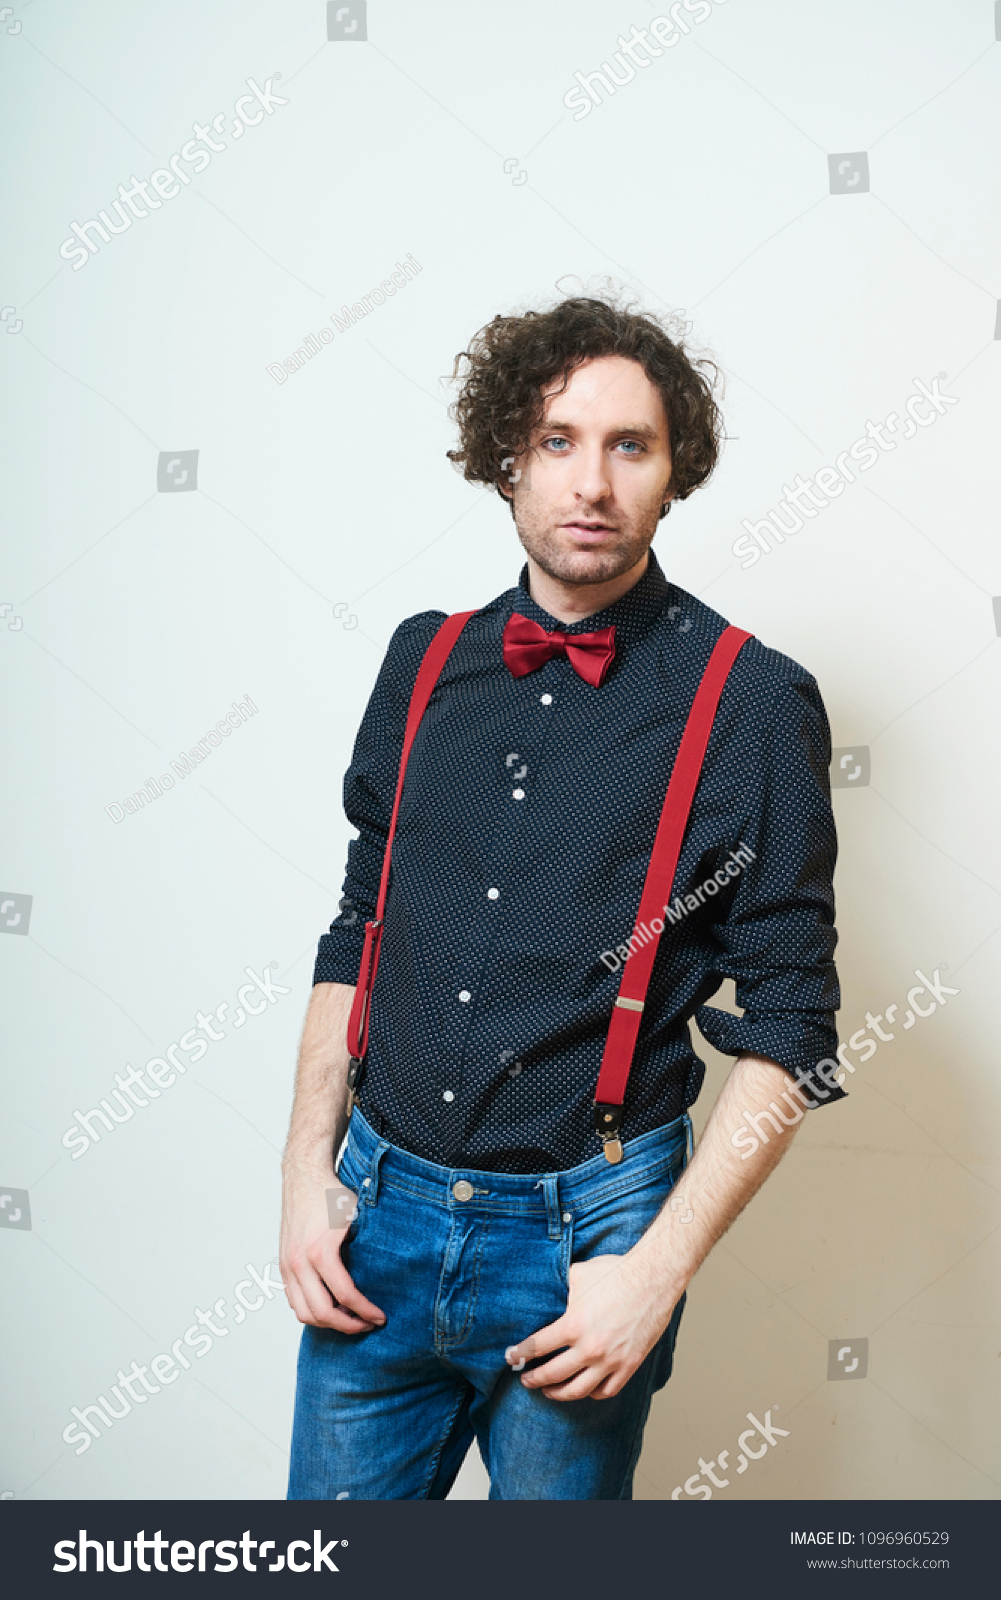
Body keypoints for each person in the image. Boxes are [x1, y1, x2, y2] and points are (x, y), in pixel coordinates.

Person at [280, 294, 842, 1501]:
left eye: (627, 445)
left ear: (672, 468)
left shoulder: (749, 702)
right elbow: (358, 926)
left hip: (587, 1239)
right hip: (373, 1225)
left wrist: (656, 1268)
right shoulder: (421, 657)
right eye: (556, 440)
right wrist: (300, 1176)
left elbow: (792, 1028)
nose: (591, 481)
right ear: (504, 460)